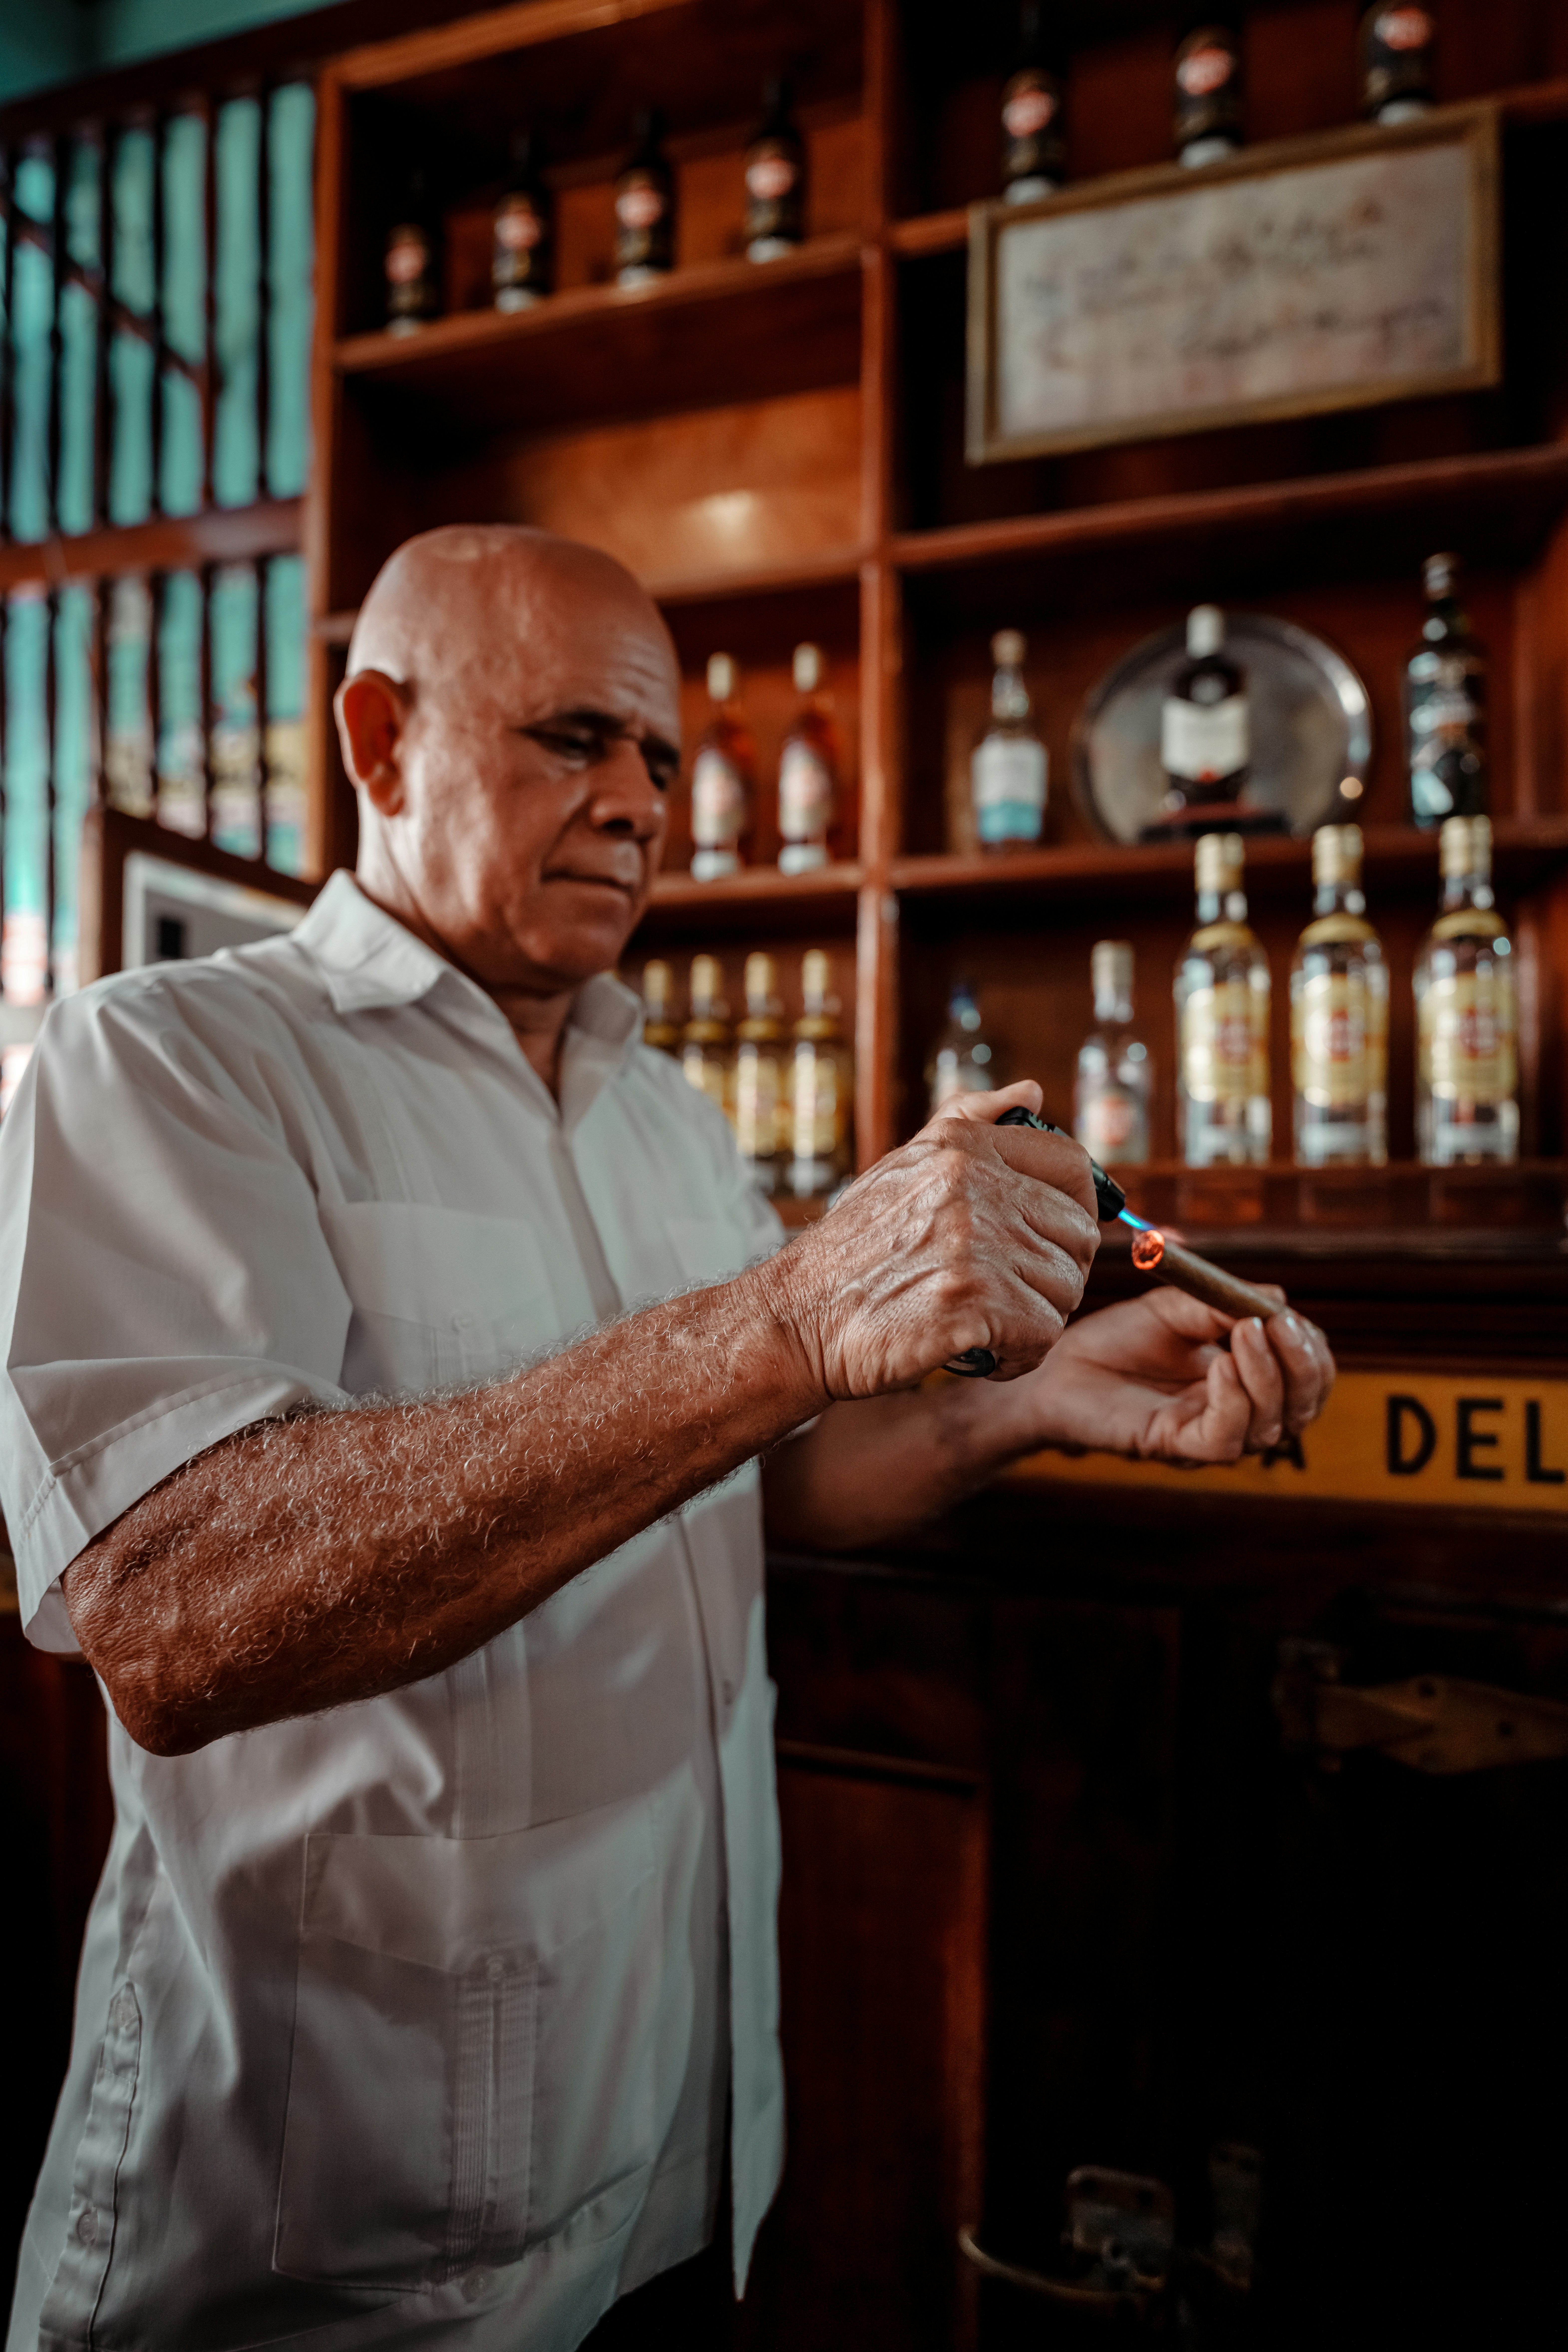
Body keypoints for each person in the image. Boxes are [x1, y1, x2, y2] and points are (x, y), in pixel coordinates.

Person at [0, 527, 1333, 2352]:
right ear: (381, 740)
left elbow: (752, 1482)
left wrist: (1034, 1402)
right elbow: (173, 1606)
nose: (640, 803)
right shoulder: (167, 1060)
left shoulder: (671, 1120)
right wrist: (788, 1314)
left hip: (683, 2162)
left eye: (661, 760)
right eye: (575, 738)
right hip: (334, 2248)